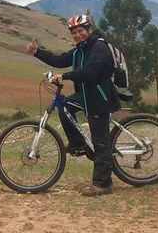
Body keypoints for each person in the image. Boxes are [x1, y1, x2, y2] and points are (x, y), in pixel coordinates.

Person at [26, 14, 120, 197]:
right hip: (86, 96)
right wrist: (37, 52)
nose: (77, 35)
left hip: (100, 98)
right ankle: (77, 144)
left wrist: (64, 76)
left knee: (100, 141)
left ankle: (103, 184)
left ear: (89, 30)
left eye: (81, 31)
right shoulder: (80, 51)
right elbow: (59, 60)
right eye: (74, 32)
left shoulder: (100, 47)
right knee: (65, 105)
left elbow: (90, 71)